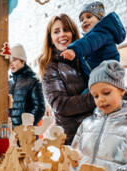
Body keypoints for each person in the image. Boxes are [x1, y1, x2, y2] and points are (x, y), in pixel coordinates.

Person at [38, 13, 96, 145]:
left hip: (93, 134)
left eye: (66, 30)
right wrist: (98, 97)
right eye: (56, 32)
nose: (62, 35)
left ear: (73, 33)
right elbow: (60, 105)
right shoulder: (51, 67)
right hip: (72, 139)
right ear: (51, 38)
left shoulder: (84, 61)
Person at [60, 1, 126, 79]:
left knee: (87, 91)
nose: (84, 21)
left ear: (99, 20)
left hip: (107, 75)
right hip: (99, 77)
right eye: (81, 20)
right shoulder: (95, 36)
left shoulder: (101, 33)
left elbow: (88, 43)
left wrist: (74, 50)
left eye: (88, 17)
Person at [9, 43, 45, 128]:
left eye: (14, 60)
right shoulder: (9, 82)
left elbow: (39, 108)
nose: (11, 64)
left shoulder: (34, 80)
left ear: (23, 60)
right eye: (9, 61)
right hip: (10, 133)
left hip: (27, 134)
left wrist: (27, 127)